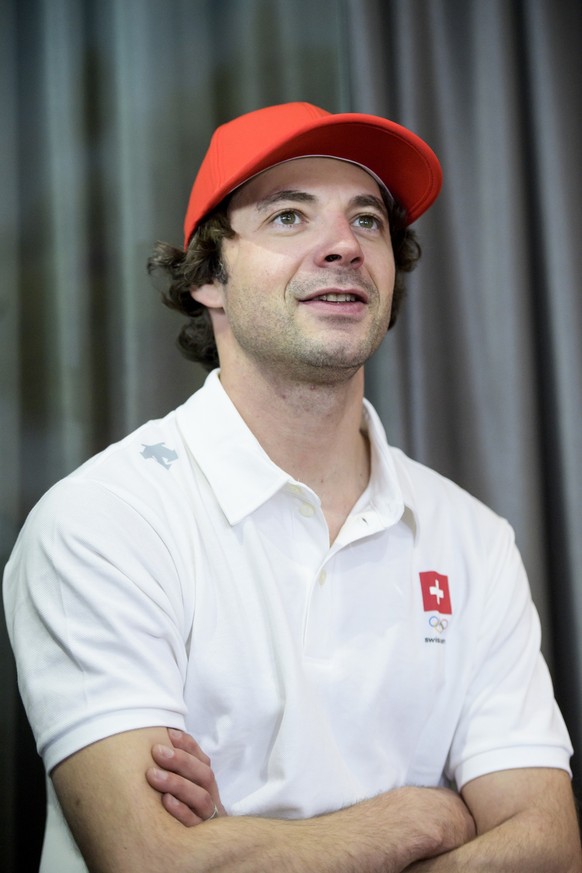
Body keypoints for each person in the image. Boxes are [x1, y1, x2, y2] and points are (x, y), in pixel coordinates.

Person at [3, 101, 581, 873]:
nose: (343, 246)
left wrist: (252, 840)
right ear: (208, 276)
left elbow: (548, 846)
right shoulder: (102, 521)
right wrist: (424, 813)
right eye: (288, 217)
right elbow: (154, 863)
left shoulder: (471, 537)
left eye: (368, 222)